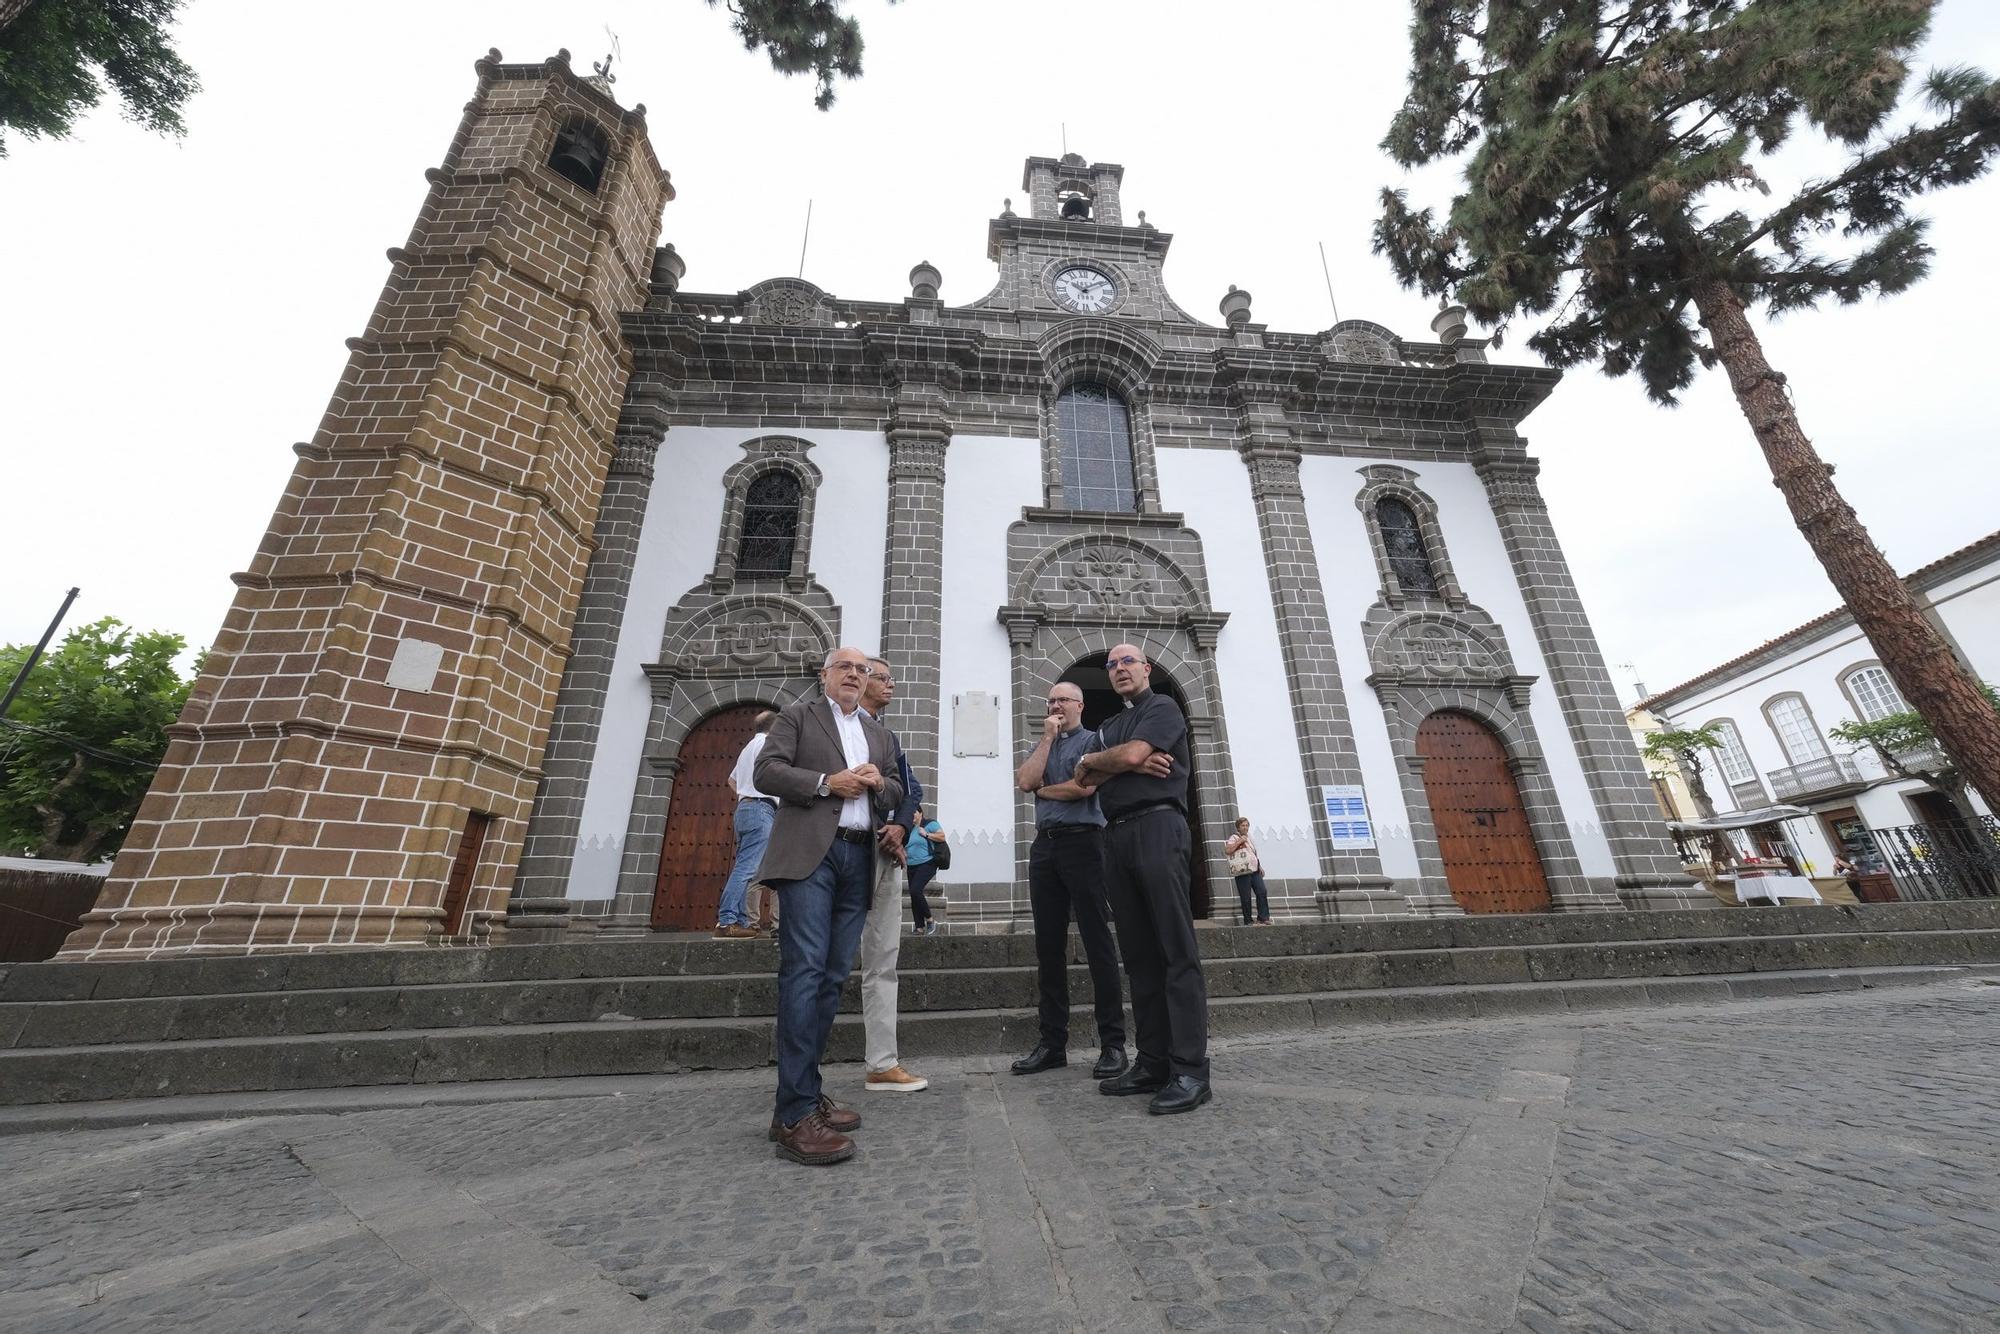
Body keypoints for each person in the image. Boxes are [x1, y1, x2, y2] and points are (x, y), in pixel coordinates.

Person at [753, 646, 907, 1165]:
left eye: (863, 671)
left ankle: (802, 1097)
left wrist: (876, 783)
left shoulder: (879, 734)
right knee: (805, 972)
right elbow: (767, 772)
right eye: (846, 668)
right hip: (810, 859)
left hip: (857, 861)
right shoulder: (799, 716)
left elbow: (896, 789)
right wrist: (827, 783)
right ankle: (794, 1114)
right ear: (825, 675)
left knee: (831, 976)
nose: (856, 676)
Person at [1073, 643, 1211, 1115]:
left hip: (1158, 827)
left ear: (1146, 668)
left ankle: (1191, 1069)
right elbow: (1082, 777)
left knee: (1175, 951)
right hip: (1117, 836)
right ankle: (1152, 1060)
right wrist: (1116, 761)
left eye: (1128, 662)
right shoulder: (1109, 724)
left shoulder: (1164, 706)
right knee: (1137, 957)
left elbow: (1126, 756)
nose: (1119, 670)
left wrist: (1114, 760)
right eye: (1111, 665)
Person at [1010, 681, 1130, 1081]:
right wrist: (1046, 738)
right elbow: (1026, 781)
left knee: (1098, 942)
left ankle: (1113, 1044)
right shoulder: (1045, 742)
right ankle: (1052, 1044)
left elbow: (1084, 788)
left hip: (1085, 845)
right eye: (1050, 700)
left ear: (1080, 704)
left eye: (1062, 699)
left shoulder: (1095, 741)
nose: (1055, 705)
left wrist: (1048, 790)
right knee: (1048, 947)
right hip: (1045, 848)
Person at [855, 656, 929, 1094]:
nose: (892, 685)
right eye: (884, 678)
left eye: (891, 678)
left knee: (883, 958)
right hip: (837, 851)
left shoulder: (888, 735)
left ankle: (882, 1063)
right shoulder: (828, 726)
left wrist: (900, 826)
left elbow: (912, 789)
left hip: (883, 850)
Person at [714, 711, 779, 939]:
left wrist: (746, 794)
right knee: (747, 869)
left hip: (746, 809)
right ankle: (727, 921)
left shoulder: (747, 748)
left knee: (746, 866)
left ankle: (740, 922)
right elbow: (776, 775)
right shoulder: (769, 745)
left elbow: (731, 780)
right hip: (761, 809)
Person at [903, 805, 946, 936]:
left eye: (914, 812)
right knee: (914, 894)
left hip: (927, 863)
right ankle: (919, 927)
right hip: (911, 864)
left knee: (915, 890)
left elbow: (942, 837)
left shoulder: (929, 824)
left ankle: (930, 919)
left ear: (920, 813)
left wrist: (926, 834)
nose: (912, 815)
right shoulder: (908, 829)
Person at [1225, 817, 1271, 926]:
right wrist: (1240, 841)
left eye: (1247, 825)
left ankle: (1263, 917)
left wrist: (1260, 867)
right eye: (1243, 825)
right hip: (1242, 872)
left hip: (1254, 870)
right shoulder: (1234, 837)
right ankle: (1248, 921)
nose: (1245, 827)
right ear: (1238, 827)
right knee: (1245, 897)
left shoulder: (1250, 837)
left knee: (1262, 891)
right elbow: (1227, 850)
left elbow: (1252, 853)